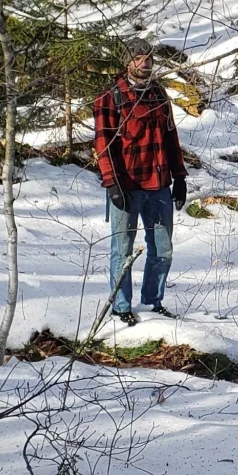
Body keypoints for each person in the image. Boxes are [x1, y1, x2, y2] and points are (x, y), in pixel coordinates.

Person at [94, 39, 189, 326]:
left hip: (159, 186)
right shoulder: (110, 98)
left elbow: (171, 139)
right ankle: (121, 308)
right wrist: (112, 183)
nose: (145, 63)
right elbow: (103, 145)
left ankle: (151, 303)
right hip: (126, 188)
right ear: (127, 62)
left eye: (148, 58)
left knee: (162, 250)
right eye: (139, 58)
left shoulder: (158, 95)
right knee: (122, 251)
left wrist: (180, 177)